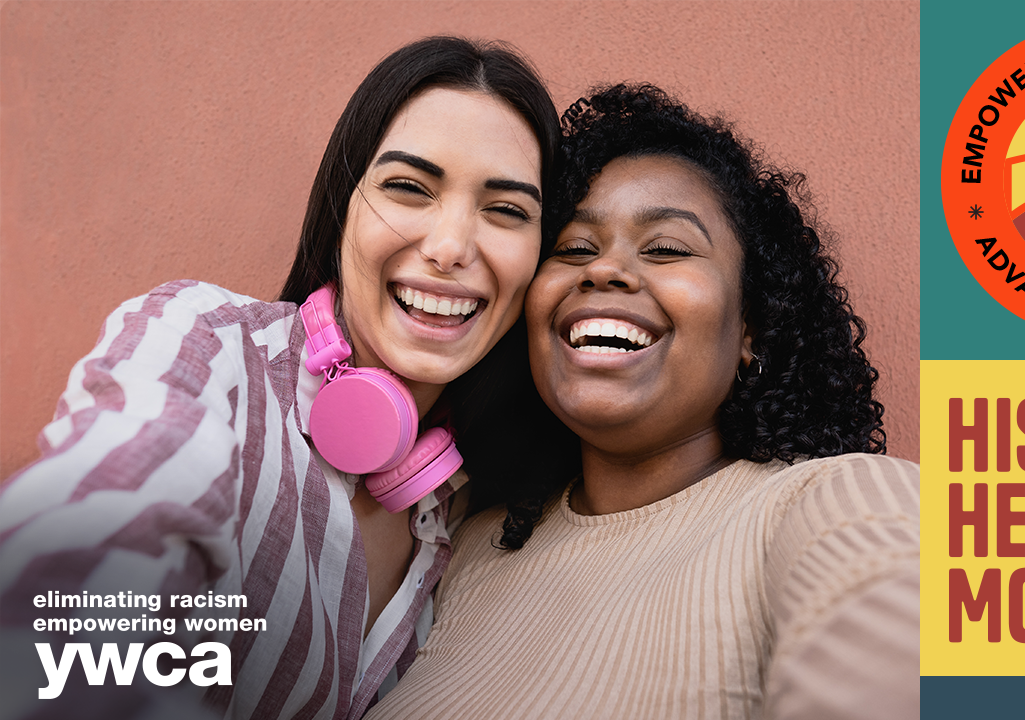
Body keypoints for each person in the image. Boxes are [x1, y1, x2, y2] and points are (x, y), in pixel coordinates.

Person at [0, 36, 575, 720]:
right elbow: (98, 547)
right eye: (408, 188)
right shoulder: (206, 346)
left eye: (507, 210)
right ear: (341, 211)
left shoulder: (474, 511)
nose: (451, 247)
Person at [368, 84, 920, 720]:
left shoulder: (828, 503)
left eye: (666, 249)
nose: (604, 271)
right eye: (573, 249)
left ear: (752, 330)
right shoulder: (470, 547)